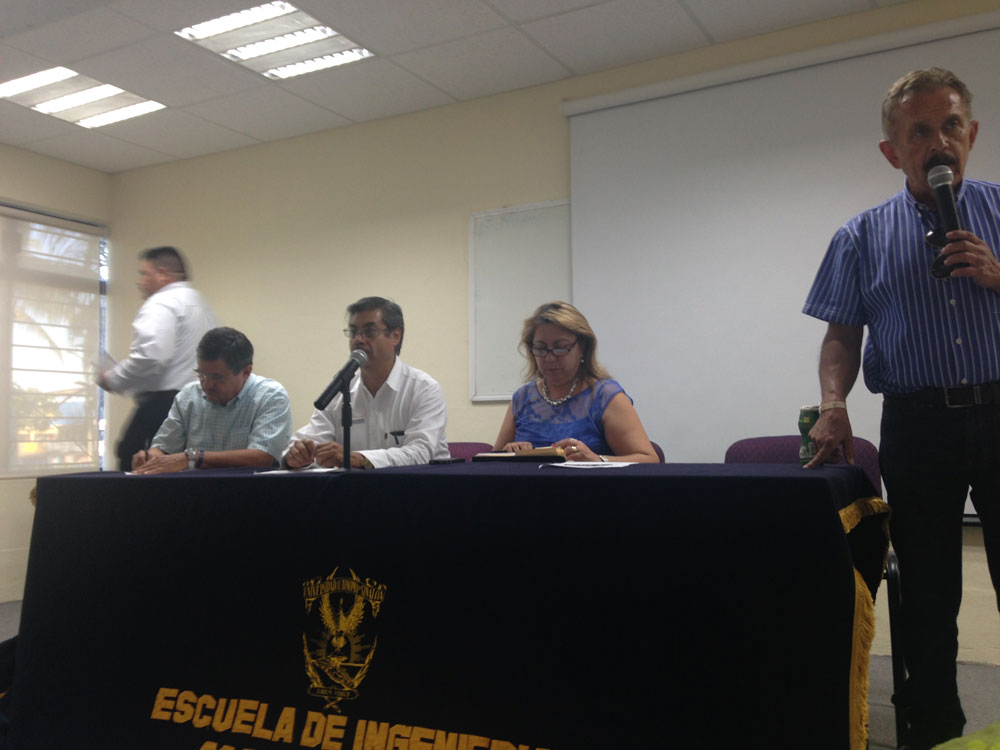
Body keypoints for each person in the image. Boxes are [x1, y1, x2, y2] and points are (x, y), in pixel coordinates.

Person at [802, 68, 1000, 749]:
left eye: (951, 125)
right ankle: (935, 731)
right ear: (893, 151)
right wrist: (833, 402)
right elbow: (841, 335)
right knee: (927, 594)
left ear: (972, 134)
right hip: (918, 426)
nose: (939, 141)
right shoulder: (859, 236)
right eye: (920, 132)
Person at [283, 297, 449, 469]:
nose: (358, 339)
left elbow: (421, 453)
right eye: (353, 332)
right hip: (353, 486)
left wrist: (360, 459)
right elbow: (309, 440)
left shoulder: (424, 389)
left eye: (369, 332)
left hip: (417, 484)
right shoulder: (341, 388)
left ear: (395, 336)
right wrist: (295, 456)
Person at [493, 301, 658, 463]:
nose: (549, 358)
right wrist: (509, 453)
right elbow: (490, 463)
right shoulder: (522, 398)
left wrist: (598, 459)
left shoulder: (604, 396)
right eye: (541, 349)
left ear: (583, 347)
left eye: (560, 347)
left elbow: (649, 460)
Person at [99, 246, 217, 471]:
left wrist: (112, 379)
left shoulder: (161, 302)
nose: (140, 281)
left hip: (164, 405)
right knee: (183, 468)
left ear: (163, 273)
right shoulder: (201, 304)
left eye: (144, 273)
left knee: (133, 460)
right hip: (202, 402)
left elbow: (151, 357)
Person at [131, 327, 291, 474]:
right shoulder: (188, 395)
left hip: (250, 492)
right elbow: (164, 448)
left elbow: (262, 457)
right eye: (201, 374)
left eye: (217, 377)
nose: (206, 385)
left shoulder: (270, 396)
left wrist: (193, 458)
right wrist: (150, 458)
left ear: (246, 372)